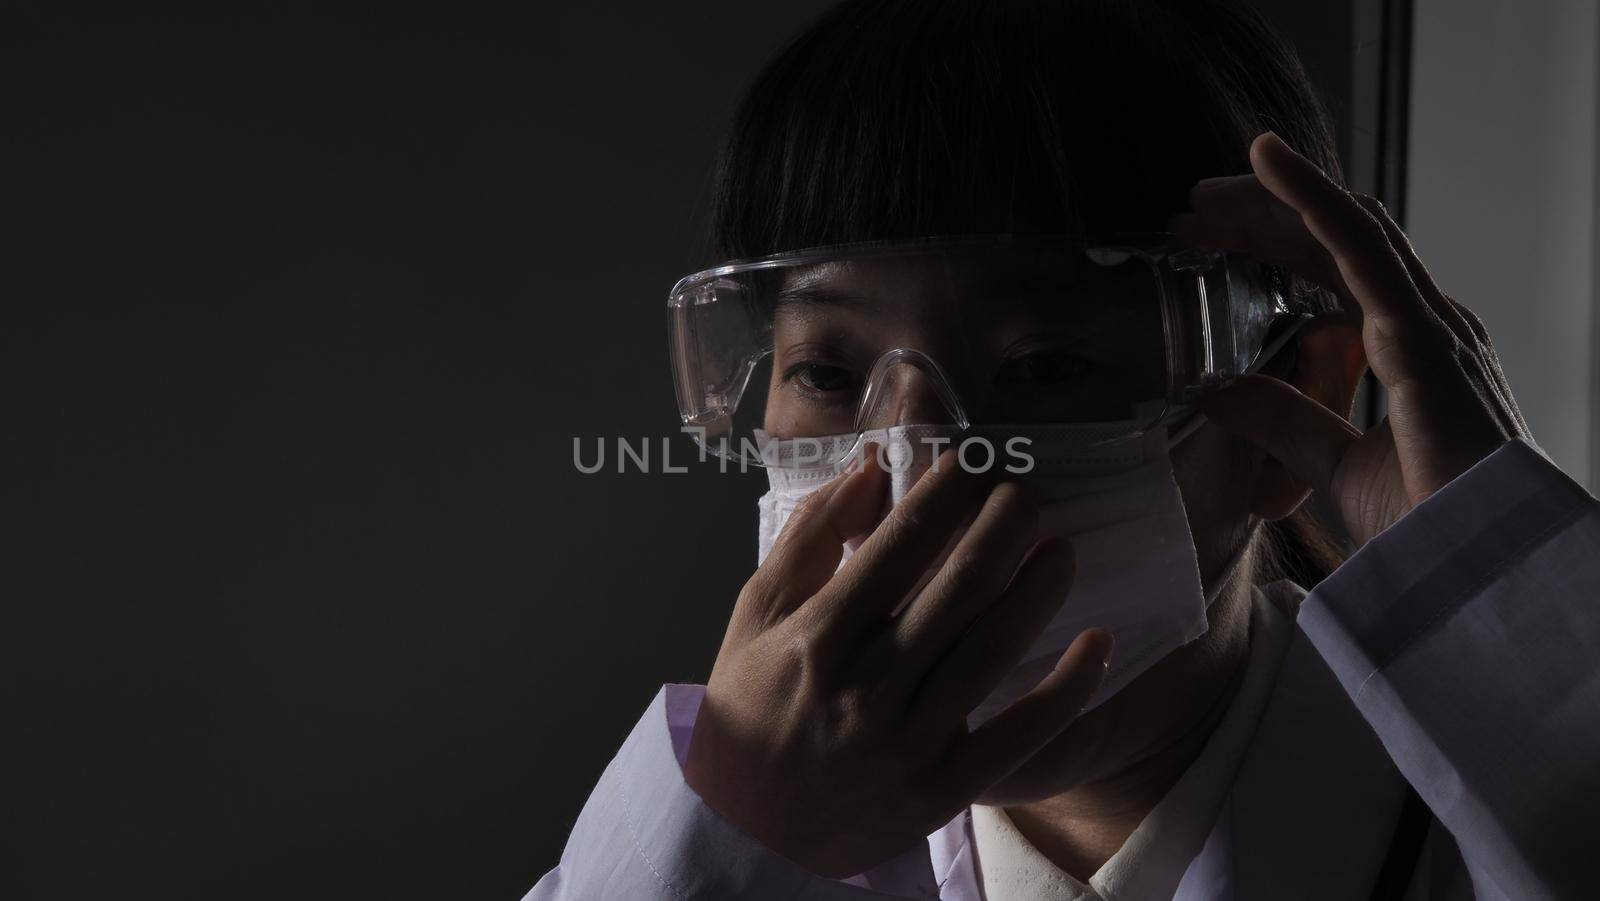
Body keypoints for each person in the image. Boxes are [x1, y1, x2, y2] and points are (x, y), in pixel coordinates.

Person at [528, 1, 1600, 898]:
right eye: (827, 372)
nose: (916, 471)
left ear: (1290, 399)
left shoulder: (1516, 807)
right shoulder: (698, 854)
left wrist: (1529, 616)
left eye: (1042, 367)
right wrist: (729, 848)